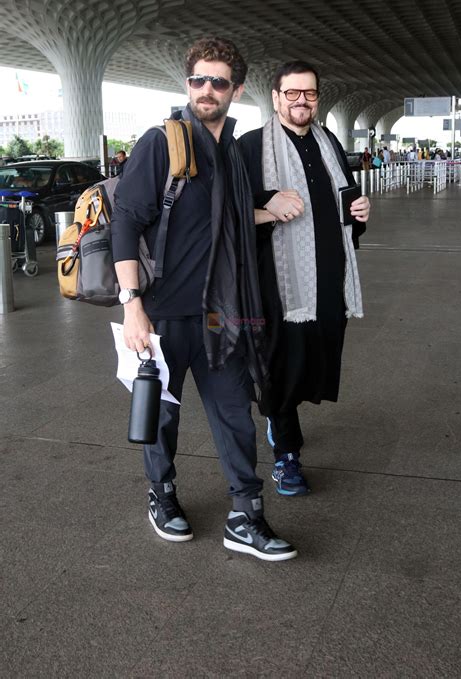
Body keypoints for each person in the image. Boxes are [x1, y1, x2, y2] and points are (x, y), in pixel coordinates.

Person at [111, 37, 297, 562]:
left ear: (236, 89)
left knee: (235, 412)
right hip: (163, 312)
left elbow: (225, 220)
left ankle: (246, 513)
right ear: (187, 84)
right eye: (199, 80)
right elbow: (126, 224)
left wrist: (268, 208)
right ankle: (162, 494)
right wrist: (132, 306)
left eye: (219, 82)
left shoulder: (231, 152)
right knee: (162, 416)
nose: (207, 90)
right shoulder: (161, 142)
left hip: (221, 311)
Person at [238, 60, 370, 496]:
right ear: (275, 97)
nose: (301, 101)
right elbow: (228, 214)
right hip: (276, 283)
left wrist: (360, 215)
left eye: (309, 93)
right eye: (291, 93)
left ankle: (285, 419)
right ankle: (286, 452)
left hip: (329, 280)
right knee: (280, 365)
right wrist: (267, 205)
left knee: (317, 354)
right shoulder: (250, 147)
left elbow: (346, 203)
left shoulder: (329, 142)